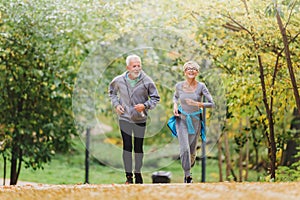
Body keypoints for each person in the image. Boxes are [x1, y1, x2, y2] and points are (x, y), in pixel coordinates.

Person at [108, 54, 160, 184]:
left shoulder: (147, 80)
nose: (137, 68)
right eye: (134, 66)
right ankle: (129, 177)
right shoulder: (119, 80)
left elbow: (155, 97)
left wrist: (145, 106)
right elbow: (112, 93)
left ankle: (138, 173)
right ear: (128, 67)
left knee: (138, 148)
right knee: (127, 147)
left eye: (139, 65)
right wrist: (117, 105)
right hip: (124, 118)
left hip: (139, 119)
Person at [172, 61, 214, 183]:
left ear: (197, 72)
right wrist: (175, 105)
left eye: (194, 69)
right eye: (188, 69)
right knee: (184, 147)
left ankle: (191, 160)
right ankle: (187, 175)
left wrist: (197, 103)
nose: (191, 70)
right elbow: (175, 96)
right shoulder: (179, 86)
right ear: (184, 72)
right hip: (181, 119)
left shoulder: (201, 86)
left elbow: (212, 103)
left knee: (191, 149)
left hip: (195, 120)